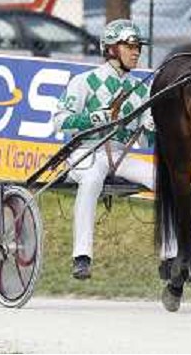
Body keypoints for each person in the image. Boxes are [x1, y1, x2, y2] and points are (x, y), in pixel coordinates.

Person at [54, 19, 177, 280]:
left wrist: (151, 127)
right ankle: (81, 256)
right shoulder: (84, 81)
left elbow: (147, 142)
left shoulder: (142, 90)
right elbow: (59, 121)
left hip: (121, 155)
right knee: (92, 178)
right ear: (111, 49)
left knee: (165, 180)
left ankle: (170, 256)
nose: (136, 52)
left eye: (138, 47)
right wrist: (92, 119)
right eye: (130, 46)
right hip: (85, 152)